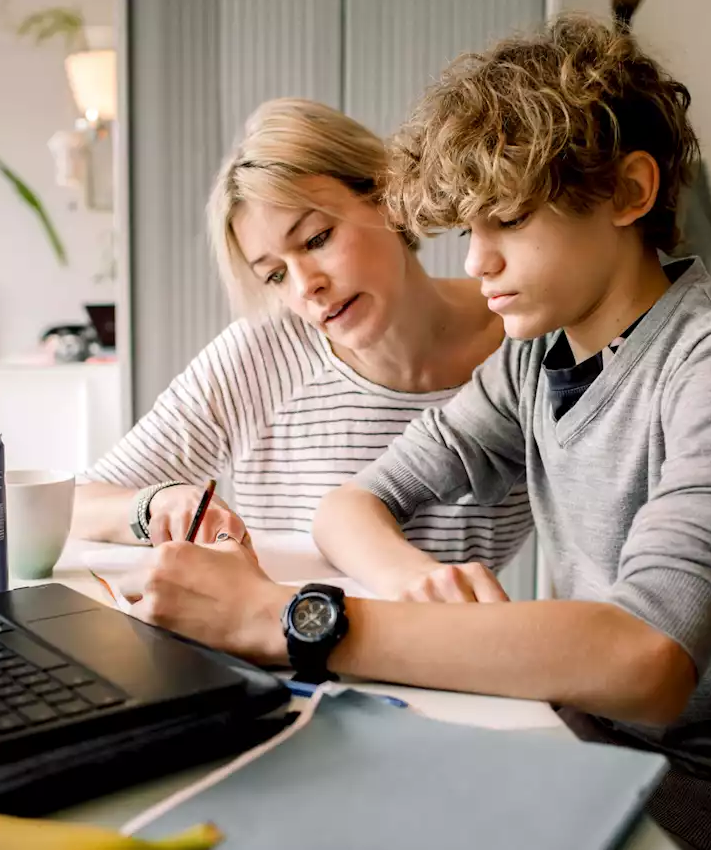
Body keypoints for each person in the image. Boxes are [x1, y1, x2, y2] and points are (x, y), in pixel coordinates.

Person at [122, 16, 711, 849]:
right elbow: (354, 501)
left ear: (630, 193)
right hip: (582, 737)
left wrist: (286, 618)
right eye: (469, 230)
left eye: (509, 221)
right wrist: (415, 582)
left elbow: (643, 658)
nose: (475, 263)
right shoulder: (535, 359)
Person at [72, 98, 534, 575]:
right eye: (274, 276)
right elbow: (76, 505)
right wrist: (152, 506)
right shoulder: (259, 358)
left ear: (385, 193)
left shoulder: (526, 339)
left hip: (459, 644)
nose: (305, 286)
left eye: (316, 239)